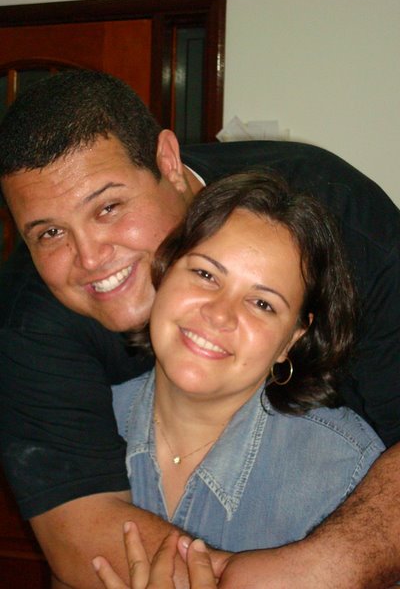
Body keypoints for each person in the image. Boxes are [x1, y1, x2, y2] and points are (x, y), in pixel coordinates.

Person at [0, 69, 398, 588]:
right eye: (50, 232)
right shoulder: (32, 319)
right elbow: (77, 529)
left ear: (168, 162)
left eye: (109, 207)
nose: (90, 258)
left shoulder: (344, 221)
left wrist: (316, 571)